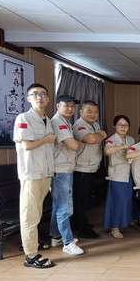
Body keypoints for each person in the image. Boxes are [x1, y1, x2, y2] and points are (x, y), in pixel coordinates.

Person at [12, 83, 56, 268]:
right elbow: (27, 145)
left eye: (43, 94)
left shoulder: (48, 120)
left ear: (48, 98)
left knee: (37, 214)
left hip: (46, 173)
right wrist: (46, 139)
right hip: (31, 174)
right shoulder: (24, 118)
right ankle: (30, 256)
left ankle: (33, 246)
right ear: (28, 98)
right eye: (35, 94)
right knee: (29, 215)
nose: (39, 97)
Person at [49, 94, 84, 256]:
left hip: (65, 169)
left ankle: (56, 236)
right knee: (64, 207)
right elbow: (73, 145)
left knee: (58, 206)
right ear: (58, 106)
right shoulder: (58, 122)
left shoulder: (66, 122)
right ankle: (68, 243)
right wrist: (81, 143)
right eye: (66, 105)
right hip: (60, 170)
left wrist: (77, 143)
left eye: (72, 106)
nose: (70, 109)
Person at [72, 101, 107, 239]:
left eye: (95, 112)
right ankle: (83, 229)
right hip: (81, 169)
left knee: (85, 199)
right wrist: (102, 135)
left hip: (92, 168)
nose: (93, 114)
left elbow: (96, 138)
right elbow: (91, 139)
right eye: (89, 111)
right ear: (81, 112)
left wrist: (99, 135)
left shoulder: (95, 125)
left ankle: (79, 223)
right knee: (80, 200)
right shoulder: (79, 125)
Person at [103, 115, 135, 238]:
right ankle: (114, 227)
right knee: (117, 201)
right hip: (117, 175)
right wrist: (122, 147)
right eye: (120, 125)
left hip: (129, 173)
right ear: (115, 126)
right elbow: (107, 151)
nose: (123, 127)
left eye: (125, 125)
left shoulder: (131, 139)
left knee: (127, 199)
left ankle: (124, 222)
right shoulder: (111, 140)